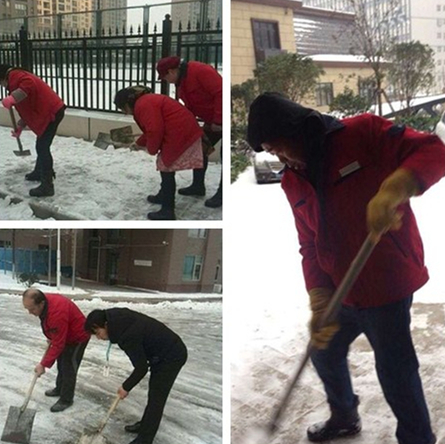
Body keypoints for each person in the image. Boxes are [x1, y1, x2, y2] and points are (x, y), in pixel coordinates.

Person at [247, 92, 445, 444]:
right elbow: (309, 243)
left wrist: (397, 186)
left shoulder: (362, 133)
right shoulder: (294, 179)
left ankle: (418, 438)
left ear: (299, 131)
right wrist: (319, 296)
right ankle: (344, 416)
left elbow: (434, 150)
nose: (278, 157)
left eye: (278, 147)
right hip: (340, 288)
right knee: (324, 352)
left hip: (386, 283)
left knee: (396, 372)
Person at [84, 308, 188, 444]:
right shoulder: (117, 320)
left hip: (171, 355)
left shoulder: (127, 334)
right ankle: (145, 425)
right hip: (160, 352)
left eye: (98, 333)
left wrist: (125, 387)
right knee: (154, 394)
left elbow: (141, 368)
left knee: (157, 398)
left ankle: (145, 438)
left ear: (105, 325)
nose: (98, 338)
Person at [114, 85, 203, 220]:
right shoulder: (145, 101)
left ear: (127, 103)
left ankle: (167, 210)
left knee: (165, 168)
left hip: (180, 133)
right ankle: (163, 195)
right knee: (165, 167)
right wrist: (138, 143)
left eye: (123, 109)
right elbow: (150, 129)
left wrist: (151, 149)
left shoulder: (143, 105)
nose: (125, 113)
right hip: (181, 130)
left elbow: (155, 130)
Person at [157, 56, 223, 208]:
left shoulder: (200, 71)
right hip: (210, 121)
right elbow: (190, 106)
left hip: (224, 119)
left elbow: (221, 92)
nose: (166, 81)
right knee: (200, 148)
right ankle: (198, 186)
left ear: (172, 71)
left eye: (165, 77)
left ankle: (222, 194)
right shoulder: (182, 81)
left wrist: (219, 120)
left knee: (225, 157)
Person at [0, 64, 66, 197]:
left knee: (42, 146)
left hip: (51, 111)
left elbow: (28, 85)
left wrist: (13, 98)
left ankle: (47, 185)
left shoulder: (17, 76)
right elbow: (27, 106)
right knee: (41, 143)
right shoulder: (14, 80)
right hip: (49, 111)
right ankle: (39, 171)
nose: (1, 85)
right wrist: (20, 126)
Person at [22, 289, 90, 412]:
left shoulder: (56, 313)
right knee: (61, 362)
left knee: (69, 366)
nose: (29, 312)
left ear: (41, 303)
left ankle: (66, 399)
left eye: (32, 309)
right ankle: (60, 388)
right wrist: (52, 336)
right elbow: (54, 331)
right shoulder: (45, 304)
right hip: (66, 334)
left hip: (78, 336)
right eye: (27, 309)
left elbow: (59, 344)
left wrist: (43, 365)